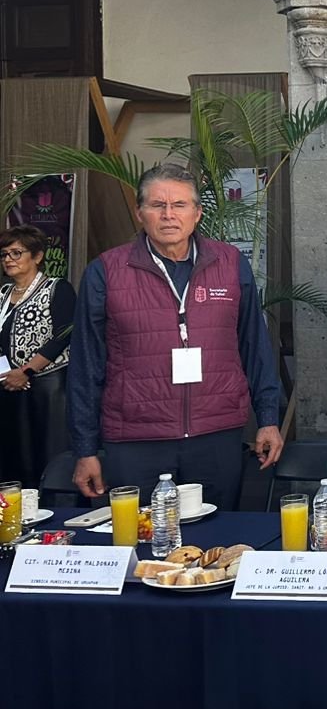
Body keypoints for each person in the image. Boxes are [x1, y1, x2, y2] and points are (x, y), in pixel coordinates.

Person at [68, 163, 284, 510]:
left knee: (216, 536)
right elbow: (85, 364)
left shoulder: (230, 264)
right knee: (140, 537)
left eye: (179, 205)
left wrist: (269, 418)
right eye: (157, 205)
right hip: (135, 439)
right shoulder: (105, 271)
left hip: (216, 434)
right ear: (140, 213)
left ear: (197, 213)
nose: (168, 215)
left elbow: (254, 346)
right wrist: (85, 449)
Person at [0, 225, 75, 488]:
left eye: (16, 253)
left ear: (37, 256)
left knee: (49, 456)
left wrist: (27, 371)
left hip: (48, 386)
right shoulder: (2, 294)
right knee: (15, 459)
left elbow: (64, 335)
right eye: (4, 254)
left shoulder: (56, 288)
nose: (8, 259)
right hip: (9, 387)